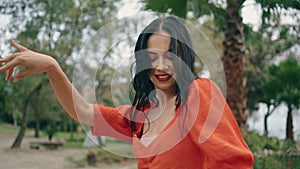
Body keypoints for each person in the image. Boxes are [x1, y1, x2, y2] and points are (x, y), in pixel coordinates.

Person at [0, 16, 254, 168]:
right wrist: (52, 67)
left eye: (169, 56)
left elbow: (235, 161)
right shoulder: (140, 115)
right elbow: (84, 111)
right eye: (151, 57)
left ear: (183, 56)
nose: (160, 66)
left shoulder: (199, 93)